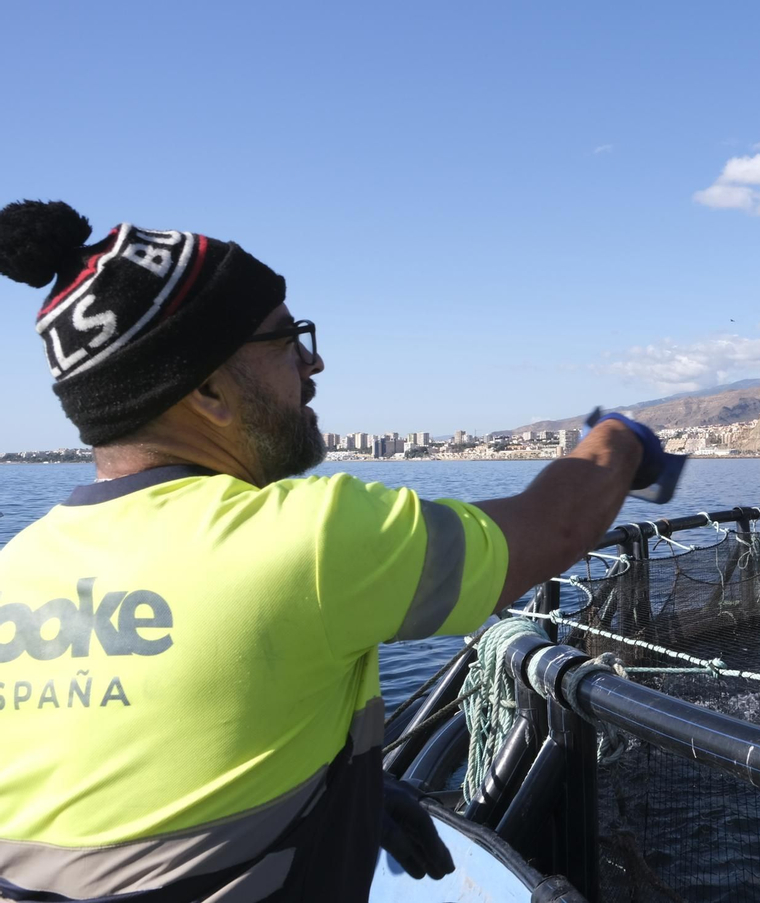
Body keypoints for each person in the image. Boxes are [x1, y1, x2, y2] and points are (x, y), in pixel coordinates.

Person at [0, 200, 668, 901]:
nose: (313, 363)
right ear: (207, 389)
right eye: (287, 338)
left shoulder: (18, 567)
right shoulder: (309, 539)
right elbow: (554, 526)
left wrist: (341, 784)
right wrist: (621, 439)